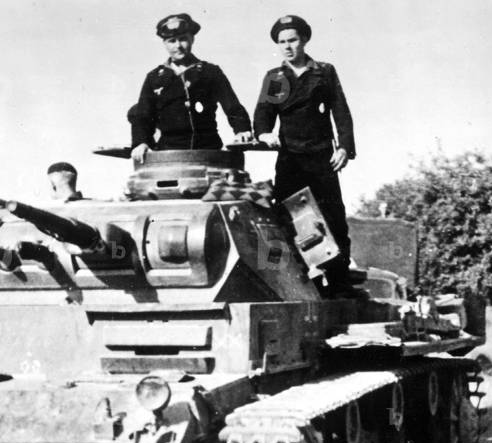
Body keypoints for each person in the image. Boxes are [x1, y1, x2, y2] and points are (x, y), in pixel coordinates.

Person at [253, 15, 356, 293]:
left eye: (293, 40)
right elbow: (263, 114)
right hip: (290, 158)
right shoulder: (276, 77)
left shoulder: (323, 72)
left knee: (332, 217)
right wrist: (263, 133)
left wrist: (345, 147)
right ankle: (298, 283)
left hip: (322, 156)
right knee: (289, 219)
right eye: (282, 42)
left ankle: (338, 282)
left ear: (305, 40)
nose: (288, 47)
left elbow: (341, 111)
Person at [130, 13, 252, 163]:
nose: (178, 46)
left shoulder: (210, 72)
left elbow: (232, 106)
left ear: (192, 39)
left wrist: (242, 130)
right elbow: (143, 116)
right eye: (171, 41)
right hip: (169, 155)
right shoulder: (154, 78)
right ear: (165, 44)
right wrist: (141, 142)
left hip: (208, 151)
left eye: (183, 39)